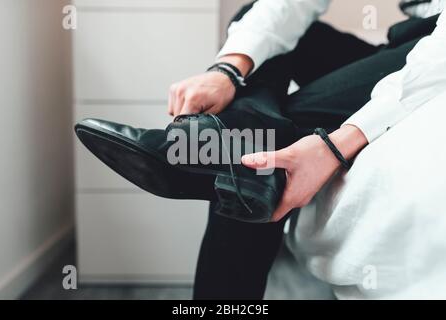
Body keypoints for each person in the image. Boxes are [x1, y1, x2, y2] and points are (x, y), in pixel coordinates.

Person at [75, 0, 446, 299]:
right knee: (253, 24)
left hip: (436, 49)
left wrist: (334, 145)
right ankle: (233, 144)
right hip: (401, 42)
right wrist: (226, 70)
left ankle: (215, 151)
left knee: (263, 145)